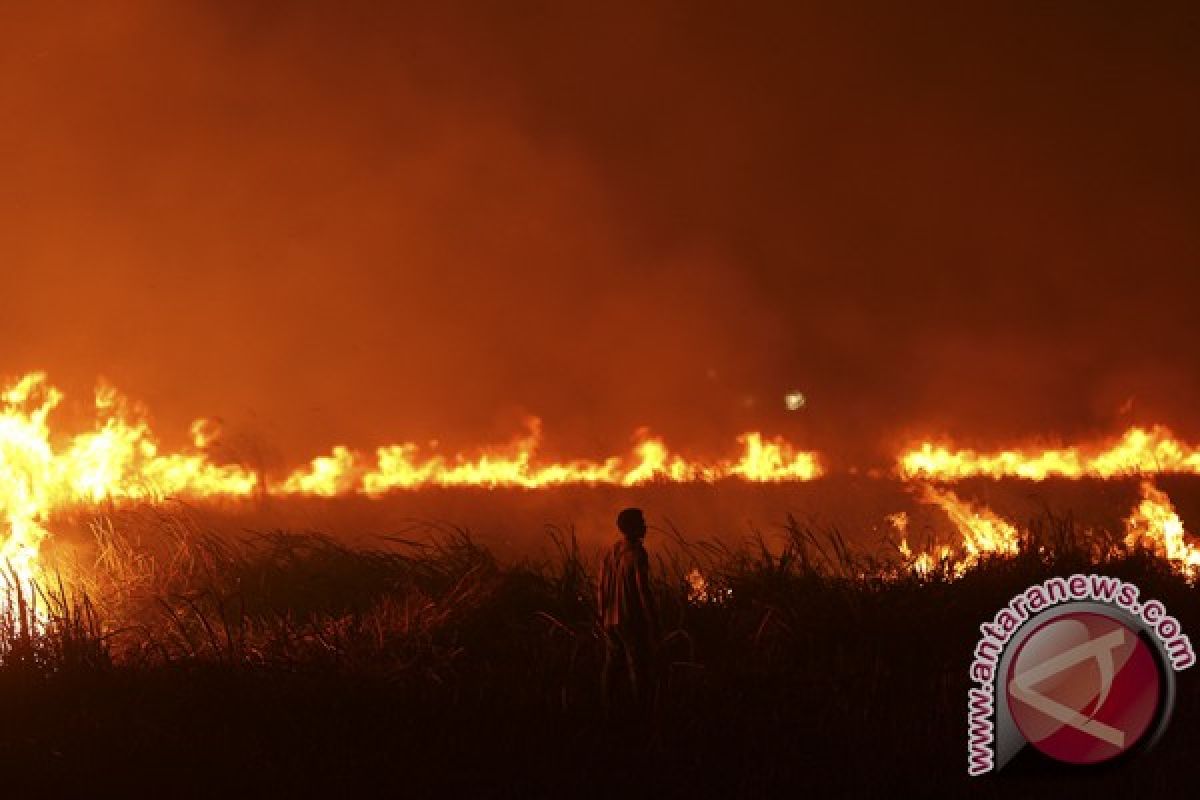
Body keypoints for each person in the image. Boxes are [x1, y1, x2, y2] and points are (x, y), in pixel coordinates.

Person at [597, 507, 660, 713]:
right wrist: (653, 622)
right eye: (641, 522)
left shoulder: (610, 552)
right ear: (632, 527)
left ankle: (607, 708)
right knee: (637, 665)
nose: (645, 526)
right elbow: (643, 591)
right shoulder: (637, 554)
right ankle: (641, 711)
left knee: (612, 665)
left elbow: (600, 588)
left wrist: (602, 616)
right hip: (629, 619)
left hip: (608, 619)